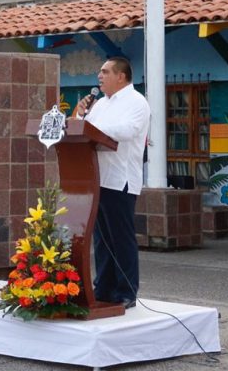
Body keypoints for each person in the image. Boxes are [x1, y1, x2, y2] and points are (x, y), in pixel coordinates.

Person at [76, 57, 150, 310]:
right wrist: (80, 115)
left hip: (121, 180)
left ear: (121, 76)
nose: (100, 76)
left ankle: (126, 291)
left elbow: (126, 130)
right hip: (97, 178)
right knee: (102, 238)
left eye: (105, 72)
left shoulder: (137, 102)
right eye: (100, 72)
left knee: (121, 237)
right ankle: (104, 288)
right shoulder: (99, 105)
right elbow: (83, 127)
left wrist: (90, 125)